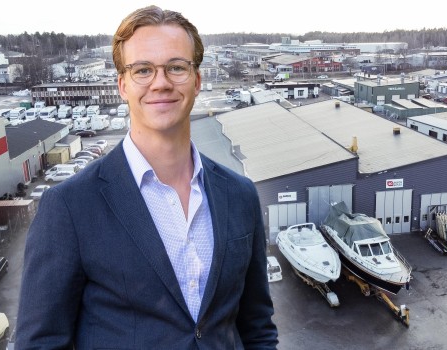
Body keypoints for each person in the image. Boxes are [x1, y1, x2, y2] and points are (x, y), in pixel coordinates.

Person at [16, 5, 278, 349]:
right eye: (143, 70)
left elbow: (257, 326)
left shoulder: (240, 194)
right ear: (122, 85)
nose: (161, 83)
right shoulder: (68, 207)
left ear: (197, 80)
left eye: (176, 67)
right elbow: (41, 343)